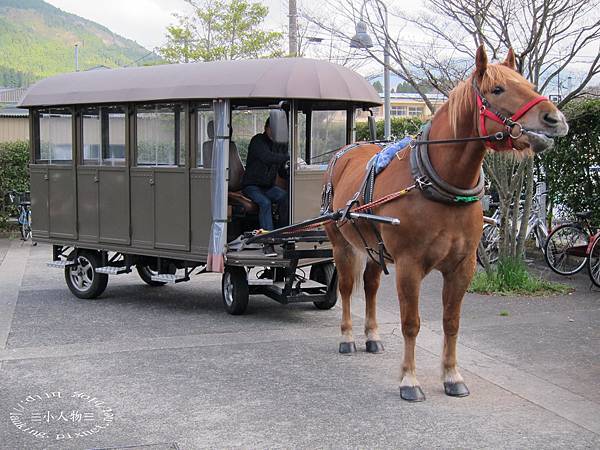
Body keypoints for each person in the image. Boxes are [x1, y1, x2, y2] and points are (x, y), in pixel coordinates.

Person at [242, 118, 290, 256]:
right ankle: (267, 241)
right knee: (265, 202)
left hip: (268, 187)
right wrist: (287, 157)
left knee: (284, 197)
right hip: (251, 186)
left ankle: (282, 234)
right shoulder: (257, 141)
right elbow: (267, 157)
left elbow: (281, 169)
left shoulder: (279, 146)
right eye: (273, 128)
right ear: (267, 128)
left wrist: (291, 169)